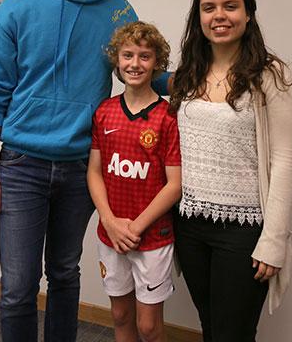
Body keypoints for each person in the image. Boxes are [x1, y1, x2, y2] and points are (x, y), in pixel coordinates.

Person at [0, 0, 170, 342]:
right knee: (18, 288)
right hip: (22, 165)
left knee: (65, 274)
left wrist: (213, 76)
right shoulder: (17, 8)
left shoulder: (119, 12)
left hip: (83, 167)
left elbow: (149, 74)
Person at [169, 0, 292, 341]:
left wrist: (274, 239)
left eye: (230, 6)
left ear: (248, 14)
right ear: (199, 18)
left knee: (234, 333)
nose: (219, 16)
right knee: (211, 326)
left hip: (244, 232)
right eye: (208, 8)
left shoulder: (272, 76)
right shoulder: (189, 73)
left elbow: (284, 160)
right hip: (190, 224)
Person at [87, 22, 182, 342]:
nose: (135, 64)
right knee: (120, 315)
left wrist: (136, 227)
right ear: (116, 61)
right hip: (111, 232)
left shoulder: (168, 116)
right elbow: (95, 172)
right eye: (127, 55)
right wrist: (109, 220)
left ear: (157, 63)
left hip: (152, 236)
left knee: (149, 327)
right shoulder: (104, 111)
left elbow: (174, 184)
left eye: (145, 56)